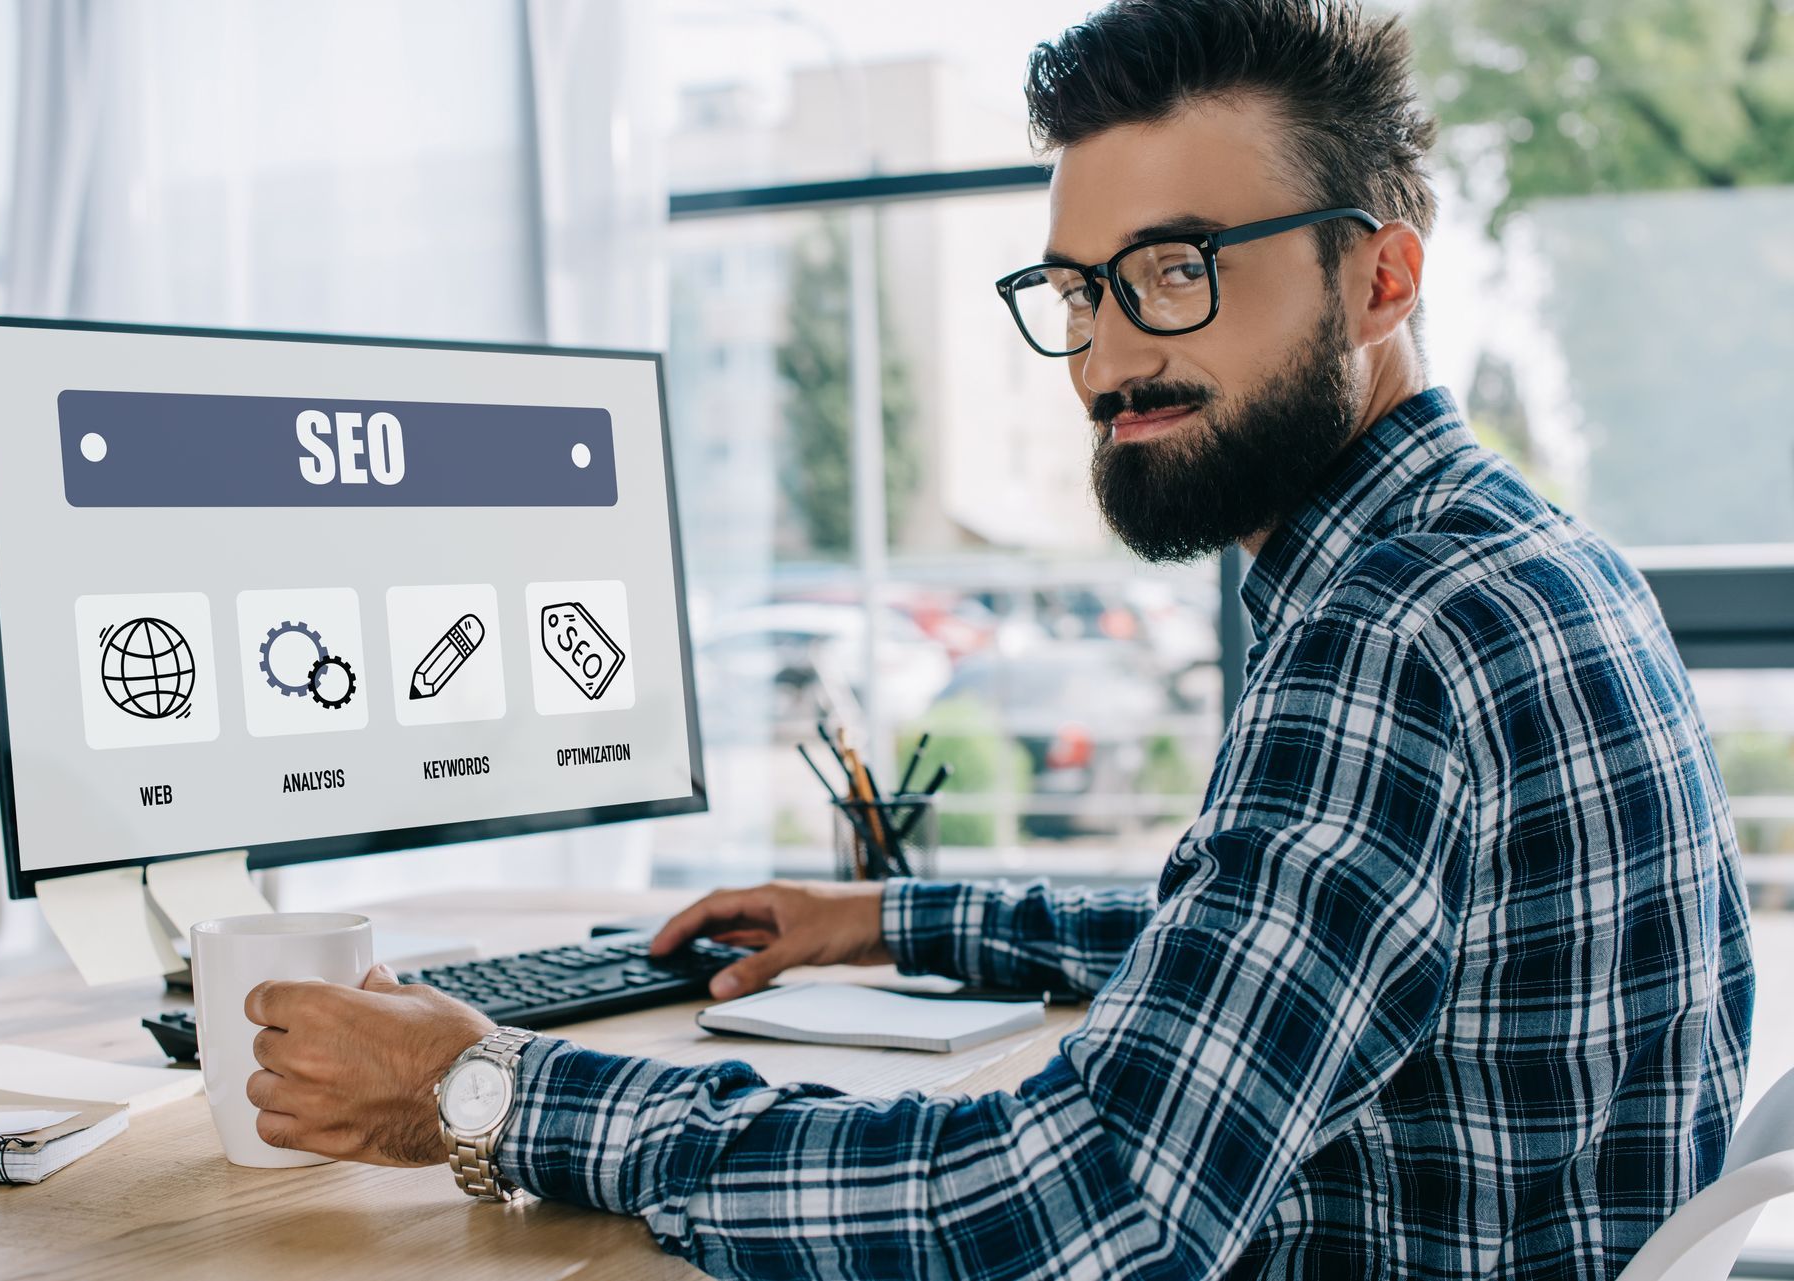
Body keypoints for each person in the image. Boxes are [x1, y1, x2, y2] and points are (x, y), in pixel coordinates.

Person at [240, 2, 1754, 1276]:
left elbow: (1090, 1199)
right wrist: (894, 920)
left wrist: (493, 1091)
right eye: (1077, 288)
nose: (1108, 350)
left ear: (1381, 274)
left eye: (1179, 268)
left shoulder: (1391, 629)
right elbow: (1281, 946)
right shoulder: (1524, 557)